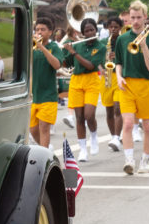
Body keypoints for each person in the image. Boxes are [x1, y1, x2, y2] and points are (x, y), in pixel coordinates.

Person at [114, 0, 149, 174]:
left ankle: (145, 160)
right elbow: (118, 62)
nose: (135, 21)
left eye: (138, 17)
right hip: (127, 84)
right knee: (127, 124)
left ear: (145, 17)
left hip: (147, 84)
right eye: (132, 17)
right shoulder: (122, 38)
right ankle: (129, 160)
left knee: (148, 126)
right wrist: (118, 77)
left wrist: (144, 46)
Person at [60, 18, 105, 161]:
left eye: (92, 30)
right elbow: (66, 64)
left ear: (95, 30)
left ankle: (93, 136)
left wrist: (73, 52)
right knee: (79, 117)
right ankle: (83, 150)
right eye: (86, 31)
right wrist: (60, 50)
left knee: (89, 115)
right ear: (83, 33)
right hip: (76, 81)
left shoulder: (100, 47)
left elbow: (90, 66)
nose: (90, 32)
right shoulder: (77, 45)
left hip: (91, 81)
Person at [30, 16, 65, 149]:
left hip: (48, 95)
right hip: (33, 96)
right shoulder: (31, 46)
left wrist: (42, 48)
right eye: (37, 29)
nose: (39, 32)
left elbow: (57, 65)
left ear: (50, 32)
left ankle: (44, 156)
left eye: (43, 30)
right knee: (33, 130)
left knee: (44, 127)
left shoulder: (53, 47)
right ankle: (45, 151)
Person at [100, 17, 123, 152]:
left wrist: (118, 57)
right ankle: (113, 135)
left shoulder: (123, 40)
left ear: (120, 28)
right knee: (109, 111)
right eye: (110, 27)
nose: (113, 29)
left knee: (117, 108)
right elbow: (96, 59)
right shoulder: (103, 42)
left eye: (115, 27)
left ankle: (116, 137)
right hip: (107, 77)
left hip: (118, 76)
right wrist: (102, 65)